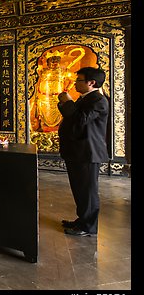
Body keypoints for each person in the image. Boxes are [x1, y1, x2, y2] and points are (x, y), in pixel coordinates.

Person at [57, 66, 109, 237]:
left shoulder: (98, 101)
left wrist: (69, 102)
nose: (75, 83)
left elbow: (80, 120)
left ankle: (89, 226)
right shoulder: (85, 98)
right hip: (77, 152)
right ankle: (82, 220)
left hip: (87, 152)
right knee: (79, 189)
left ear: (91, 82)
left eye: (79, 80)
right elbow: (71, 118)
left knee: (87, 191)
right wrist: (65, 103)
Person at [31, 52, 75, 132]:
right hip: (44, 98)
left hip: (57, 98)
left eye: (56, 61)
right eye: (52, 61)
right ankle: (43, 130)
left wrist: (67, 89)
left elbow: (72, 80)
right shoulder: (43, 71)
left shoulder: (63, 71)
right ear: (48, 62)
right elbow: (38, 69)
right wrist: (39, 60)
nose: (54, 63)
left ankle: (58, 131)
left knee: (59, 116)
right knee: (43, 116)